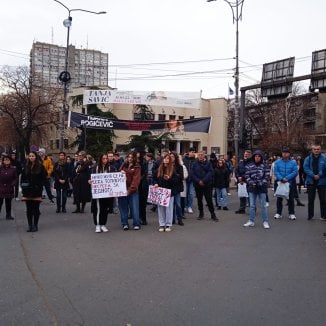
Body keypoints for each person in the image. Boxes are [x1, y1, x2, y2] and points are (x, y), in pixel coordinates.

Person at [243, 150, 270, 229]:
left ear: (261, 157)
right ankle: (251, 221)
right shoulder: (249, 165)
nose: (257, 158)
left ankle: (265, 221)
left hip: (262, 188)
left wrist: (261, 183)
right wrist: (252, 182)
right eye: (255, 156)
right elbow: (247, 176)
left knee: (263, 206)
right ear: (253, 157)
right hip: (252, 188)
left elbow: (267, 176)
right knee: (252, 206)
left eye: (258, 156)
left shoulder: (265, 166)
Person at [21, 151, 47, 232]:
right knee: (28, 209)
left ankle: (35, 225)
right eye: (30, 156)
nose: (31, 157)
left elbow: (44, 178)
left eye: (33, 156)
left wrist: (39, 185)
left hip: (37, 190)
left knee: (36, 209)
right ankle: (30, 225)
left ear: (35, 157)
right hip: (27, 190)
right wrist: (23, 186)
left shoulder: (40, 167)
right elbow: (22, 178)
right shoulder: (25, 166)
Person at [153, 153, 178, 232]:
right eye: (165, 158)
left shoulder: (172, 169)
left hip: (169, 192)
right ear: (162, 159)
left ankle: (168, 224)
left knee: (169, 209)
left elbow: (176, 181)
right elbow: (154, 178)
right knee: (161, 208)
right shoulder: (159, 169)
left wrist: (169, 179)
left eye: (167, 158)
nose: (166, 160)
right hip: (161, 191)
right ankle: (162, 224)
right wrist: (155, 183)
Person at [191, 150, 218, 221]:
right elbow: (192, 174)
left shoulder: (208, 163)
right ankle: (201, 213)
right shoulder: (195, 163)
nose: (200, 156)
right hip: (198, 184)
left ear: (204, 155)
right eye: (199, 155)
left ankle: (213, 214)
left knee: (209, 199)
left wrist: (203, 180)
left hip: (207, 184)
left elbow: (210, 172)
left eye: (201, 155)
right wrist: (198, 181)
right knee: (199, 200)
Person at [118, 151, 141, 230]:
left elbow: (136, 180)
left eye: (131, 157)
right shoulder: (123, 165)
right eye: (129, 157)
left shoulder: (137, 167)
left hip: (133, 191)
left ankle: (136, 223)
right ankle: (125, 223)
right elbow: (117, 177)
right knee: (123, 207)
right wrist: (120, 172)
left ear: (134, 158)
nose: (130, 159)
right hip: (122, 190)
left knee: (134, 207)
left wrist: (130, 190)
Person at [274, 147, 298, 220]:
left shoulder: (293, 162)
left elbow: (295, 172)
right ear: (282, 153)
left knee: (290, 199)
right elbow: (276, 171)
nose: (285, 154)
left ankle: (291, 213)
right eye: (283, 152)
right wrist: (281, 178)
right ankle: (278, 213)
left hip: (290, 182)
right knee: (279, 198)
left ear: (289, 153)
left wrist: (287, 178)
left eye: (286, 152)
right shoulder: (277, 162)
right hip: (280, 182)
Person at [303, 143, 326, 221]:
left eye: (318, 149)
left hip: (322, 181)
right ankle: (310, 215)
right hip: (311, 181)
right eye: (315, 149)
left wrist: (319, 175)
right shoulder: (308, 158)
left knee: (323, 200)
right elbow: (305, 168)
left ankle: (323, 216)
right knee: (310, 200)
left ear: (320, 150)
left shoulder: (324, 158)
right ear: (312, 150)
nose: (316, 150)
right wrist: (313, 175)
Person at [91, 154, 111, 233]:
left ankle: (103, 224)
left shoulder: (110, 168)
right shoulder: (95, 168)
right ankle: (97, 225)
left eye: (106, 158)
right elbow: (91, 177)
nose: (105, 160)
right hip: (98, 193)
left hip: (107, 193)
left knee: (105, 208)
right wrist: (90, 181)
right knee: (97, 208)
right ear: (100, 159)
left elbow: (116, 176)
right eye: (103, 158)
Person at [0, 154, 17, 219]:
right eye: (5, 160)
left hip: (9, 187)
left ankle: (8, 215)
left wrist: (13, 184)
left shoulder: (13, 169)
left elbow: (15, 178)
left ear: (10, 161)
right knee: (0, 202)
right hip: (1, 187)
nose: (6, 161)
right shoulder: (0, 168)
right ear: (3, 161)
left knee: (8, 202)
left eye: (8, 160)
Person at [170, 151, 185, 226]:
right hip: (170, 187)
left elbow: (181, 177)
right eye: (170, 156)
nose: (171, 158)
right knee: (171, 205)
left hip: (177, 187)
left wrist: (175, 176)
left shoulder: (179, 166)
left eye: (173, 156)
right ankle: (172, 219)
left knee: (178, 204)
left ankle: (179, 219)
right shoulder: (167, 165)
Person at [183, 147, 196, 214]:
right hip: (185, 179)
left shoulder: (195, 160)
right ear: (189, 152)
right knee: (185, 193)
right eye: (191, 152)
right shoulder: (184, 159)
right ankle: (185, 206)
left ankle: (190, 206)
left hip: (192, 179)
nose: (192, 153)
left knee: (191, 193)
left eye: (193, 152)